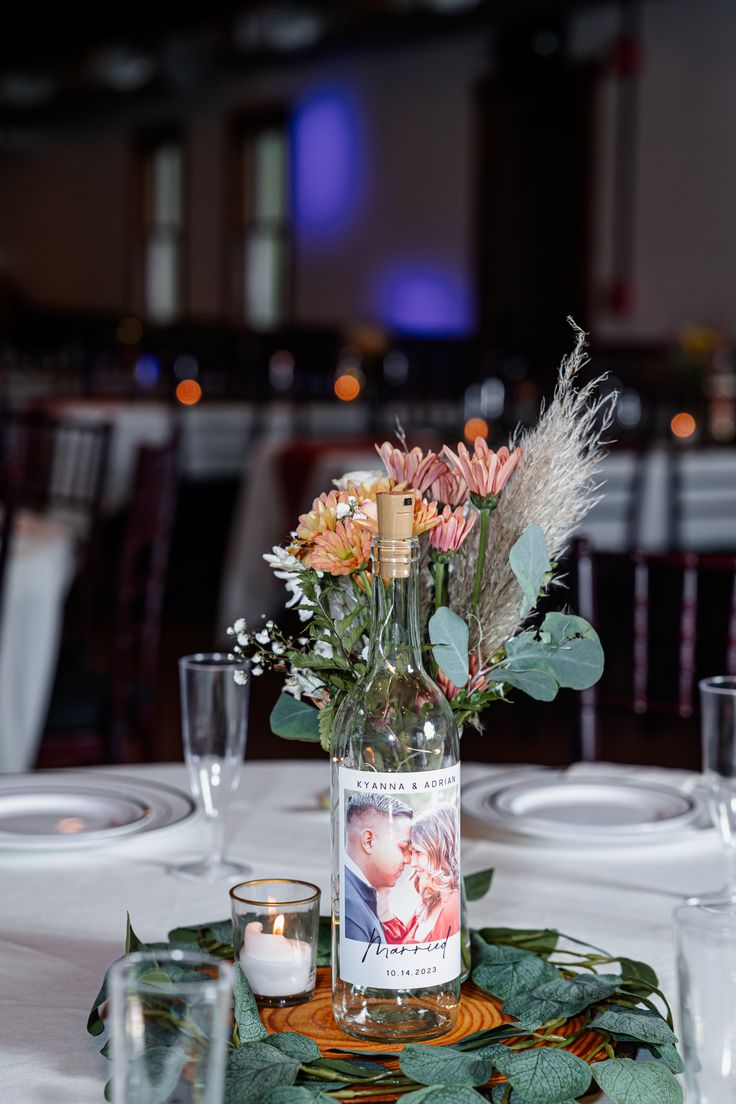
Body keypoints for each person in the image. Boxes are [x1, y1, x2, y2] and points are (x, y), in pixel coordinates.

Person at [381, 803, 460, 945]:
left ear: (441, 851)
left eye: (418, 852)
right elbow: (396, 948)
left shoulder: (452, 905)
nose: (412, 863)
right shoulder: (428, 904)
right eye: (411, 852)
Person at [343, 792, 413, 943]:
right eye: (402, 848)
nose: (408, 859)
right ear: (369, 841)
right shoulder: (351, 908)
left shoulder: (367, 893)